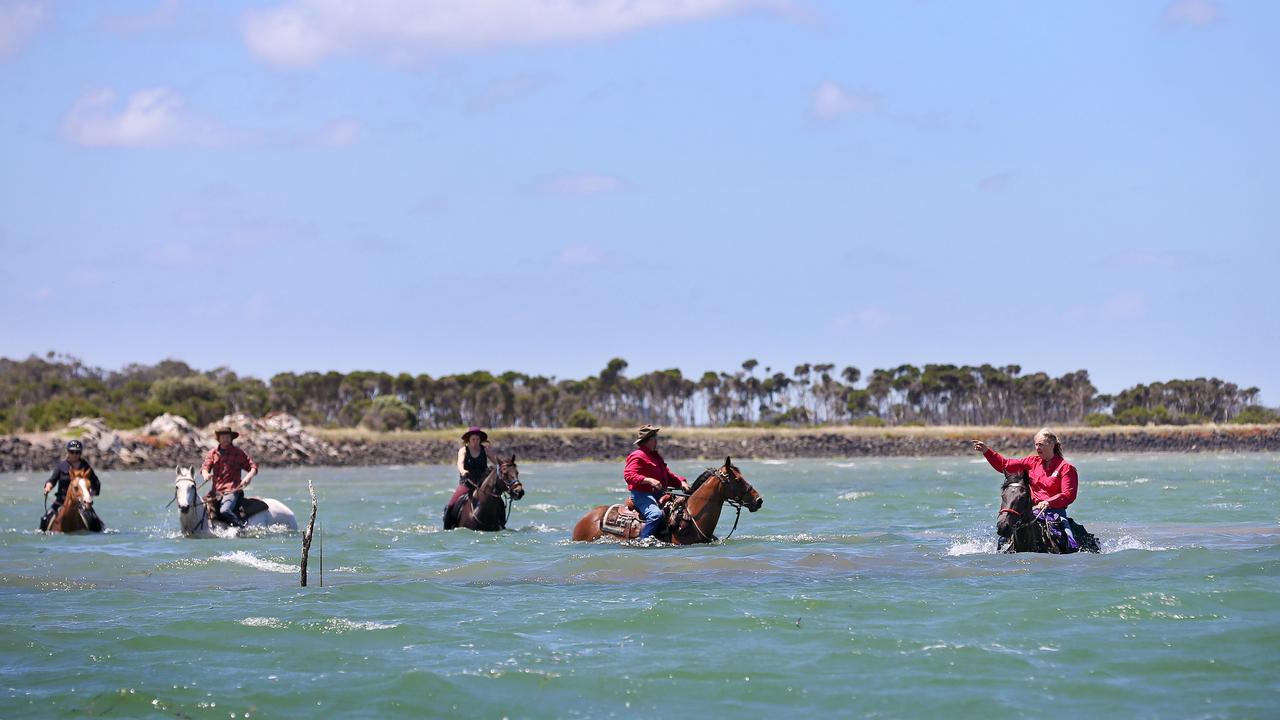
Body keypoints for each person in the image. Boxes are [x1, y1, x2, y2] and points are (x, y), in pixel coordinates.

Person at [972, 428, 1078, 516]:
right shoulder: (1031, 462)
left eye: (1040, 444)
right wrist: (986, 451)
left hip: (1055, 513)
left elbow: (1068, 495)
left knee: (1070, 540)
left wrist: (1048, 502)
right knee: (1005, 534)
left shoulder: (1066, 468)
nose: (1037, 448)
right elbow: (1004, 466)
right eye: (1036, 445)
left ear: (1052, 444)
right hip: (1031, 512)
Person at [623, 425, 690, 539]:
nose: (657, 441)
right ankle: (643, 541)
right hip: (641, 494)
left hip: (658, 494)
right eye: (655, 438)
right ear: (650, 440)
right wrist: (648, 480)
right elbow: (628, 475)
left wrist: (681, 482)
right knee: (655, 515)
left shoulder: (655, 456)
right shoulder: (637, 455)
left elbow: (667, 476)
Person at [201, 426, 258, 527]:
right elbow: (205, 467)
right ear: (219, 439)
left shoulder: (238, 453)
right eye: (223, 437)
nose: (225, 439)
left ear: (231, 438)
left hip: (233, 490)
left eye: (227, 437)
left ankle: (242, 529)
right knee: (200, 509)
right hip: (215, 492)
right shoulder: (212, 453)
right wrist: (206, 474)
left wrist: (248, 477)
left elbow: (252, 467)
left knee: (224, 510)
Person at [40, 440, 102, 531]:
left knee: (94, 520)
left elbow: (96, 483)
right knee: (45, 518)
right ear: (68, 452)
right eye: (72, 452)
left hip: (81, 502)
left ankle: (99, 536)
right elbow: (52, 480)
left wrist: (89, 495)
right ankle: (42, 535)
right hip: (61, 501)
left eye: (77, 452)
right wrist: (48, 486)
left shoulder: (85, 466)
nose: (74, 454)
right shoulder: (61, 466)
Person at [446, 427, 491, 522]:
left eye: (477, 439)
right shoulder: (463, 450)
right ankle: (447, 528)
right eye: (473, 439)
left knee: (499, 501)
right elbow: (459, 464)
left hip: (483, 484)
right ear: (469, 440)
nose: (475, 442)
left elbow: (497, 462)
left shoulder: (485, 450)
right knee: (450, 505)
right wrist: (463, 471)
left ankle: (501, 524)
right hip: (467, 483)